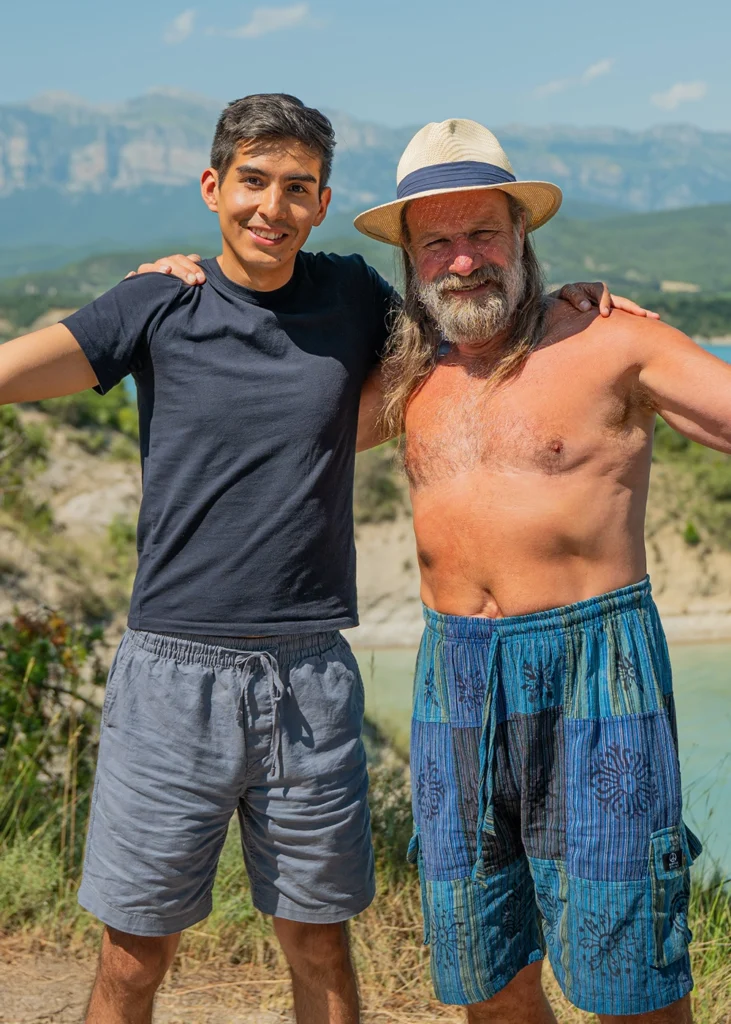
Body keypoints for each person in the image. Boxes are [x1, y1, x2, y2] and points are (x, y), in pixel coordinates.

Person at [0, 93, 646, 1024]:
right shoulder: (158, 303)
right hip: (172, 671)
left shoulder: (348, 294)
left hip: (309, 675)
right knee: (134, 958)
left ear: (322, 201)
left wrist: (562, 306)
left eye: (297, 188)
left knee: (319, 949)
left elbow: (467, 314)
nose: (272, 207)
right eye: (253, 182)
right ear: (213, 187)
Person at [353, 117, 731, 1023]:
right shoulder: (406, 370)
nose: (462, 261)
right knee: (485, 969)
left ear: (521, 233)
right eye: (436, 243)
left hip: (595, 669)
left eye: (482, 233)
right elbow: (264, 415)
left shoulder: (612, 343)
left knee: (630, 973)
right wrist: (175, 292)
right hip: (453, 677)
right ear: (409, 259)